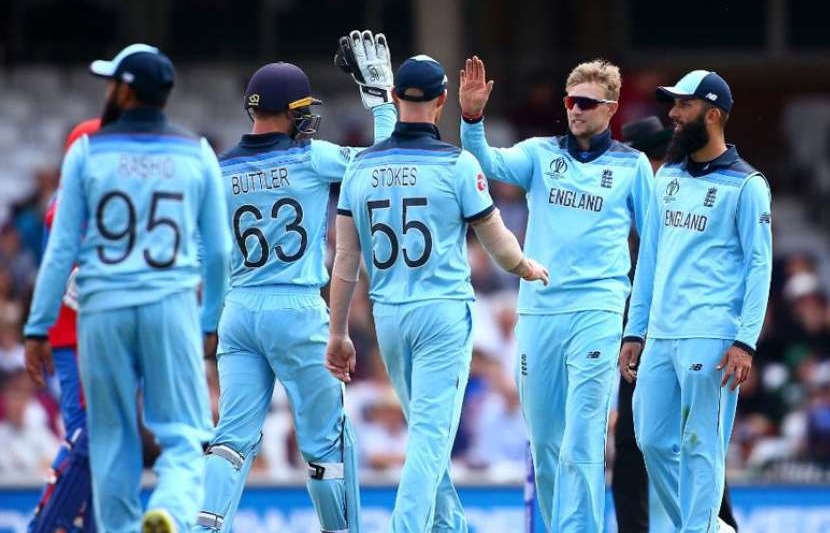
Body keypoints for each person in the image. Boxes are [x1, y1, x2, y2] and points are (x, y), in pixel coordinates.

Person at [326, 54, 548, 533]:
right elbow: (497, 243)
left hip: (388, 317)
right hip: (442, 314)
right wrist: (525, 267)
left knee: (430, 437)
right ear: (443, 100)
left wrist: (338, 332)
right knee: (430, 438)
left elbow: (345, 262)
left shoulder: (360, 166)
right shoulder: (457, 163)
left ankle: (451, 527)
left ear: (395, 98)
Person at [192, 30, 397, 533]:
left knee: (230, 439)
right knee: (326, 443)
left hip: (239, 311)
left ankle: (206, 527)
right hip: (298, 309)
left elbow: (205, 252)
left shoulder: (218, 170)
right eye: (302, 110)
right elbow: (384, 165)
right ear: (288, 112)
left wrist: (207, 317)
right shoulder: (312, 156)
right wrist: (381, 104)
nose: (307, 118)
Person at [23, 43, 231, 533]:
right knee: (183, 434)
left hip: (103, 309)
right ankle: (171, 511)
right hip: (170, 304)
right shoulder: (197, 152)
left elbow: (60, 250)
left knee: (111, 439)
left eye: (111, 82)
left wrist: (37, 326)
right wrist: (209, 321)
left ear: (124, 91)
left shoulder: (86, 150)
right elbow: (219, 251)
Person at [459, 57, 652, 533]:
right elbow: (485, 162)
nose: (576, 110)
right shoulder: (541, 154)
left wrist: (638, 327)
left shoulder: (632, 166)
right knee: (545, 443)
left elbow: (653, 248)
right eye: (571, 101)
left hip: (598, 309)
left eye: (587, 102)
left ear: (611, 108)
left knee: (582, 440)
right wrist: (471, 118)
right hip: (540, 309)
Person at [620, 71, 773, 533]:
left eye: (684, 105)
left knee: (700, 445)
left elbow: (759, 268)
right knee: (651, 441)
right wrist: (635, 330)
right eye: (673, 105)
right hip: (660, 333)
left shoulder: (747, 185)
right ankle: (711, 529)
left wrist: (744, 342)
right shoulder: (667, 176)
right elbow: (649, 259)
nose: (673, 114)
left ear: (713, 114)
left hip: (712, 334)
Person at [613, 116, 739, 533]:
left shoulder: (679, 187)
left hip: (691, 328)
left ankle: (715, 525)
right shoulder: (639, 194)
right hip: (644, 329)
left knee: (698, 439)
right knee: (635, 442)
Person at [27, 118, 100, 533]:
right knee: (86, 436)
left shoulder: (84, 200)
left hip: (89, 336)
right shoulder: (68, 206)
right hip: (78, 337)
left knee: (101, 443)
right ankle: (46, 524)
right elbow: (71, 285)